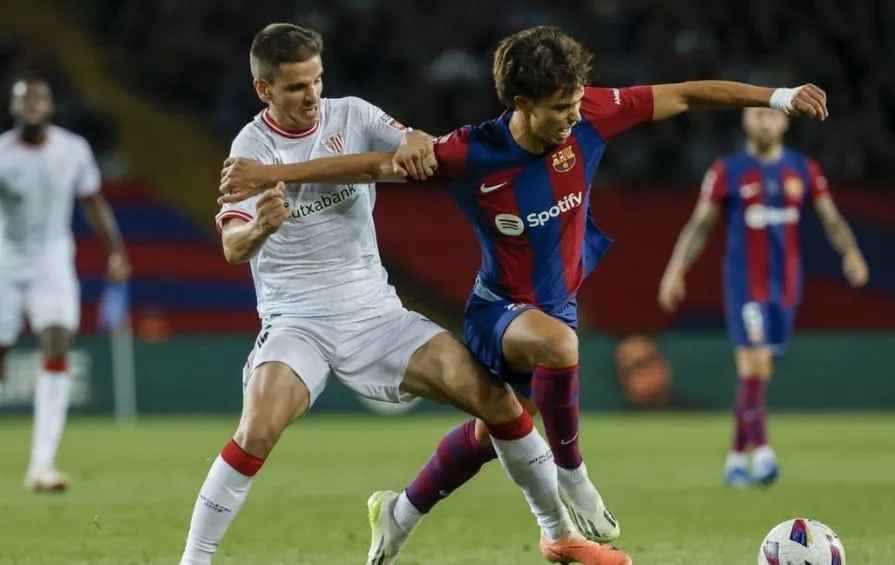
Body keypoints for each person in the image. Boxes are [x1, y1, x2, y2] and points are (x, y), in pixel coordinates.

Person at [217, 25, 830, 563]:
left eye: (574, 104)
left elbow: (690, 94)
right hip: (498, 311)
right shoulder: (470, 152)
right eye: (559, 107)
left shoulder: (594, 112)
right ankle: (574, 476)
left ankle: (401, 512)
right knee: (559, 346)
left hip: (556, 300)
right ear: (522, 104)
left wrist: (776, 95)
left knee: (498, 429)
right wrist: (273, 174)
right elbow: (368, 166)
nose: (572, 117)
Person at [181, 23, 629, 565]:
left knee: (500, 405)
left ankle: (558, 535)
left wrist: (415, 140)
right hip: (298, 320)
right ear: (264, 90)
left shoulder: (353, 115)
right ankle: (195, 560)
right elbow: (232, 244)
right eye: (296, 87)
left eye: (317, 80)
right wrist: (258, 230)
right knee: (258, 429)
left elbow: (413, 145)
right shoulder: (251, 148)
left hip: (377, 315)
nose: (312, 96)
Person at [657, 107, 869, 487]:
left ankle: (736, 460)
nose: (765, 122)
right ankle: (765, 454)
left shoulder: (803, 169)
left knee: (759, 371)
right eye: (757, 115)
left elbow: (831, 218)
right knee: (753, 364)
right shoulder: (728, 169)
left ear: (785, 122)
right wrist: (676, 269)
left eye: (772, 116)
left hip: (786, 286)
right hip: (745, 285)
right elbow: (700, 224)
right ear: (745, 121)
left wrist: (850, 252)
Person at [0, 74, 131, 492]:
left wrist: (115, 249)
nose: (33, 105)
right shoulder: (2, 154)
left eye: (40, 99)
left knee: (57, 341)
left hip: (52, 260)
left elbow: (93, 201)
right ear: (14, 108)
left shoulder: (72, 150)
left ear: (51, 106)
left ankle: (41, 464)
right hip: (5, 259)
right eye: (25, 100)